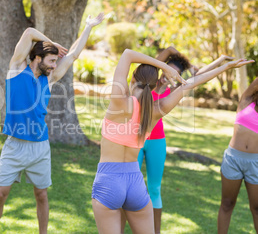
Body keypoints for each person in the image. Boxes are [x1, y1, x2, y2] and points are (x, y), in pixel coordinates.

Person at [91, 48, 253, 234]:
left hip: (109, 181)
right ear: (153, 86)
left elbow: (127, 53)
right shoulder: (156, 110)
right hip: (135, 183)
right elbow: (190, 84)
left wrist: (162, 65)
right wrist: (225, 67)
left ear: (133, 78)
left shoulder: (117, 101)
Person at [0, 13, 104, 234]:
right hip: (14, 146)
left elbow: (73, 56)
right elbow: (29, 33)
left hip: (40, 146)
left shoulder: (48, 80)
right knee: (1, 193)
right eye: (51, 60)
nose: (54, 66)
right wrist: (53, 44)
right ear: (38, 57)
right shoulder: (15, 69)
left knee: (41, 194)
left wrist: (88, 26)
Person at [132, 48, 234, 234]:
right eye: (167, 71)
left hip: (156, 141)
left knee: (154, 189)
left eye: (174, 74)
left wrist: (220, 60)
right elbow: (163, 54)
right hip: (134, 141)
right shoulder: (147, 82)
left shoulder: (174, 90)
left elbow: (198, 77)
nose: (167, 76)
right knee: (130, 187)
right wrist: (172, 56)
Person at [218, 77, 258, 233]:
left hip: (255, 163)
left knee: (256, 209)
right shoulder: (246, 100)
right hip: (232, 160)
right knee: (227, 203)